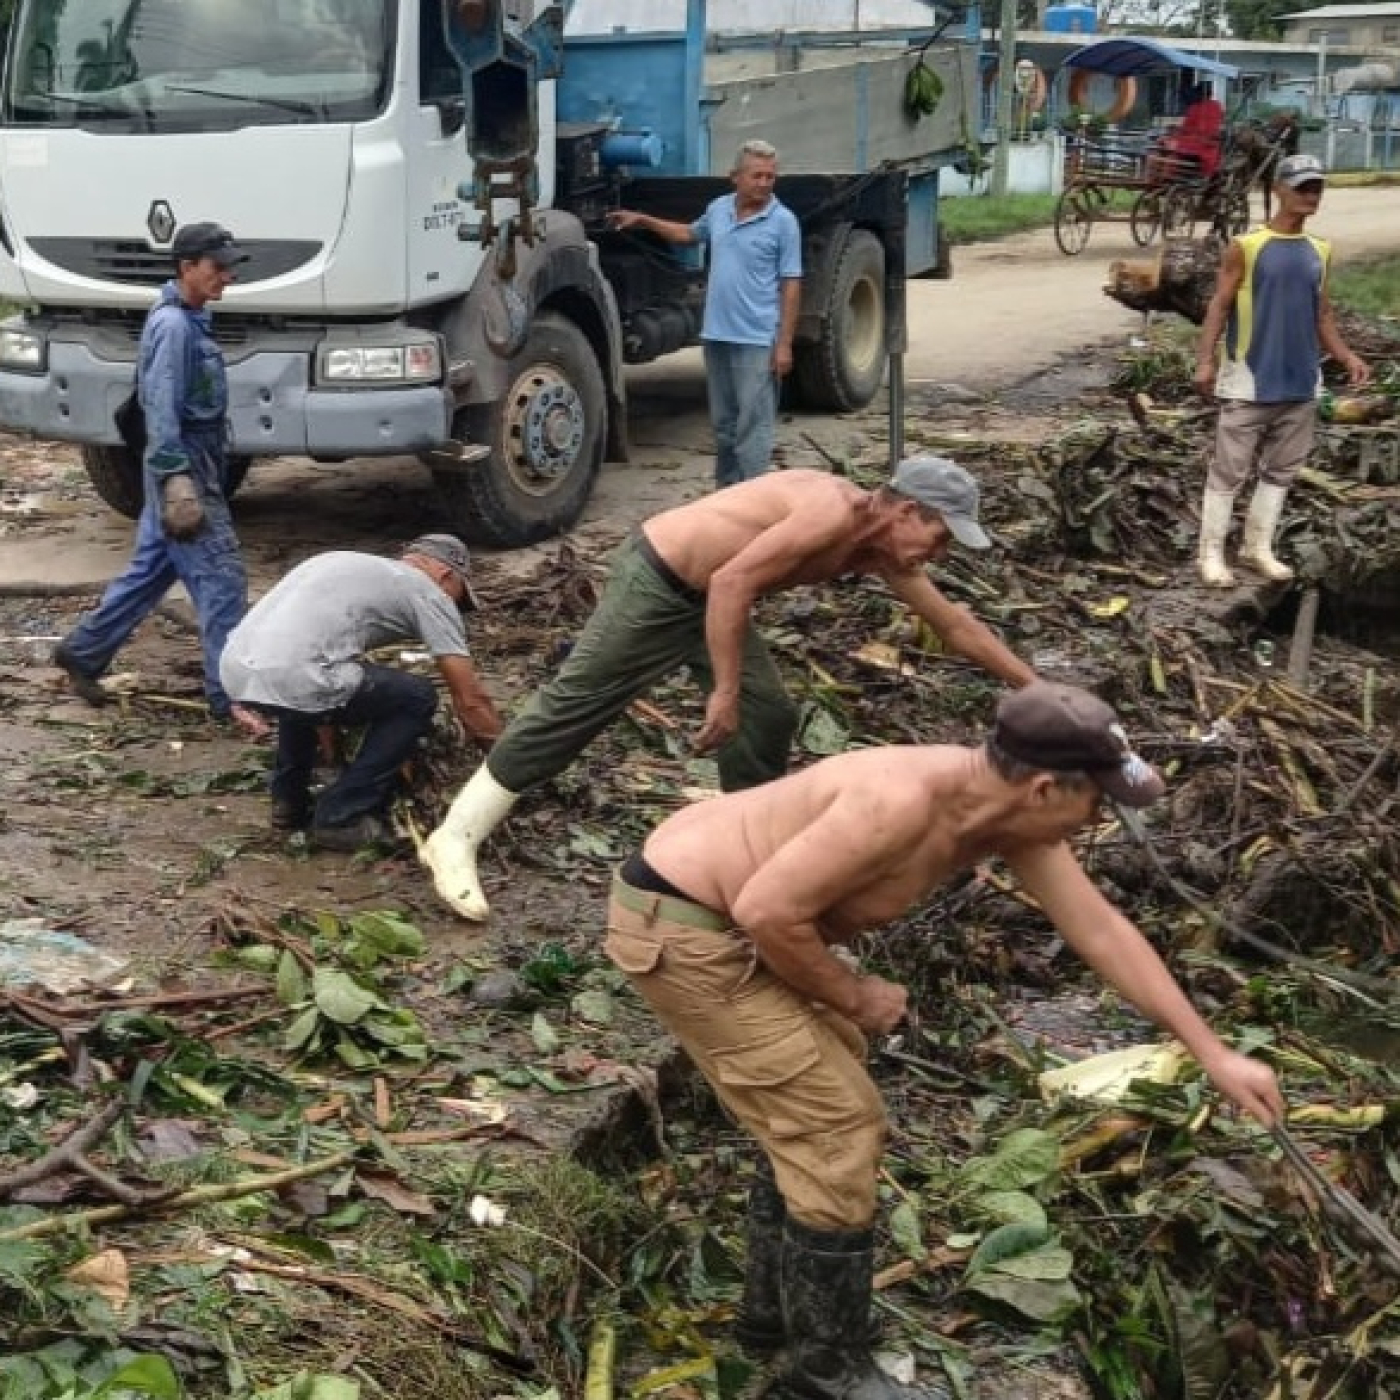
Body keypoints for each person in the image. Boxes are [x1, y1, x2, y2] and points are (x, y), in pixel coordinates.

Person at [605, 681, 1285, 1398]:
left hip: (741, 924)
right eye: (1097, 803)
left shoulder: (1004, 816)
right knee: (838, 1125)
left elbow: (1102, 932)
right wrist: (855, 993)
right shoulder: (900, 801)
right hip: (688, 928)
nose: (1097, 821)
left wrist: (1213, 1054)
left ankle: (773, 1318)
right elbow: (767, 910)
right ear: (1047, 788)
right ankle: (822, 1373)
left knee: (828, 1086)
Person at [422, 458, 1038, 921]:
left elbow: (954, 624)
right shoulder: (830, 512)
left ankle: (751, 855)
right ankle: (456, 835)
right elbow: (732, 581)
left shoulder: (882, 551)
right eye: (941, 536)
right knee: (575, 707)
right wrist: (723, 690)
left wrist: (1035, 689)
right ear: (907, 512)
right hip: (661, 582)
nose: (940, 552)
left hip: (714, 599)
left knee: (768, 716)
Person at [52, 222, 260, 730]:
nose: (226, 278)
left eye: (229, 268)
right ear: (186, 267)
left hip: (189, 462)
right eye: (217, 268)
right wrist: (176, 479)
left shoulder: (191, 318)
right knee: (222, 581)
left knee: (150, 573)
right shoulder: (174, 327)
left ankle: (83, 652)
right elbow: (160, 407)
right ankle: (228, 698)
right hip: (184, 467)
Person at [219, 535, 503, 851]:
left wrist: (335, 759)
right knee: (417, 697)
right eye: (459, 599)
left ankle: (289, 804)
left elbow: (313, 697)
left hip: (235, 668)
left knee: (299, 689)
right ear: (446, 575)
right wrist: (506, 763)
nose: (455, 608)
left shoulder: (345, 565)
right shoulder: (429, 592)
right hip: (294, 671)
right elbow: (470, 699)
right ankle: (343, 816)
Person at [1193, 153, 1371, 587]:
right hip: (1250, 378)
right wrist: (1204, 359)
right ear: (1279, 190)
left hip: (1300, 380)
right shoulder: (1247, 247)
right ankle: (1210, 555)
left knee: (1281, 470)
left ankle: (1258, 547)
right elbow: (1220, 304)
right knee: (1229, 470)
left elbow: (1322, 314)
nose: (1311, 196)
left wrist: (1346, 356)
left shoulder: (1319, 251)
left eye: (1317, 188)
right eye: (1302, 187)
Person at [609, 138, 802, 489]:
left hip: (757, 338)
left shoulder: (783, 222)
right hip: (717, 335)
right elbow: (689, 234)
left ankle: (753, 497)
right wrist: (644, 220)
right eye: (756, 176)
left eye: (770, 177)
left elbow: (791, 283)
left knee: (753, 426)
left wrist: (784, 343)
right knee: (725, 424)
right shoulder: (719, 210)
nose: (763, 183)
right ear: (735, 177)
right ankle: (726, 495)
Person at [1148, 81, 1224, 183]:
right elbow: (1188, 127)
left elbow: (1190, 128)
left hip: (1201, 144)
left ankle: (1162, 179)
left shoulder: (1201, 107)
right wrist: (1176, 131)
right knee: (1161, 148)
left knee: (1168, 150)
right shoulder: (1216, 106)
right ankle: (1157, 176)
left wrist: (1175, 133)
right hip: (1199, 141)